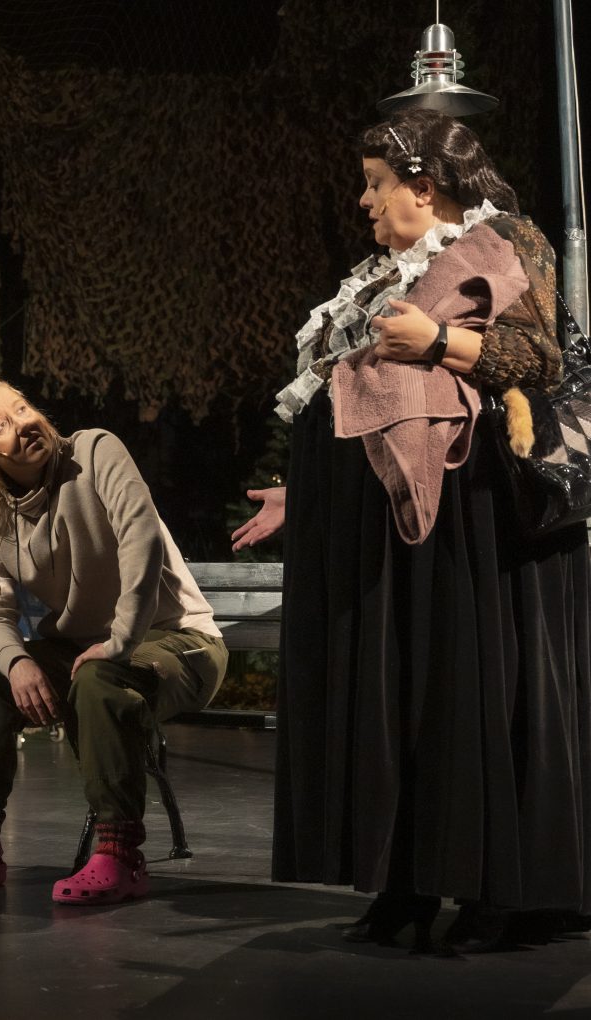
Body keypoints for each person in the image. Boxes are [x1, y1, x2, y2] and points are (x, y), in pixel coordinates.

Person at [232, 109, 591, 952]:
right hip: (382, 532)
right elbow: (358, 398)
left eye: (375, 184)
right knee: (399, 699)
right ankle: (407, 880)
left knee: (465, 695)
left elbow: (543, 356)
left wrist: (435, 340)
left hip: (480, 524)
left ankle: (498, 891)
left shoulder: (503, 240)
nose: (365, 202)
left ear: (424, 187)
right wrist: (305, 494)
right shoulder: (378, 274)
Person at [0, 371, 228, 905]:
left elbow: (141, 541)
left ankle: (120, 855)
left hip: (178, 641)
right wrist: (16, 663)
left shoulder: (95, 452)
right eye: (1, 426)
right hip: (86, 652)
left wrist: (120, 641)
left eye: (21, 409)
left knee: (100, 680)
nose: (22, 425)